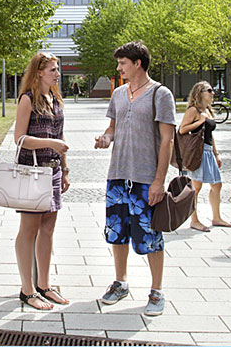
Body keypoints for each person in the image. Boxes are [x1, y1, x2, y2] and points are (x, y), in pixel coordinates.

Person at [94, 41, 175, 317]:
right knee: (116, 234)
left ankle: (156, 290)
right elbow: (112, 128)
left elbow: (168, 140)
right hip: (118, 176)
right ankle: (121, 283)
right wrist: (105, 138)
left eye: (123, 63)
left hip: (145, 178)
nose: (119, 68)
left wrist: (159, 181)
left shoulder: (160, 94)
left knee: (151, 236)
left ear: (138, 63)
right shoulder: (118, 94)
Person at [13, 52, 70, 310]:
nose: (57, 74)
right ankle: (27, 289)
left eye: (57, 70)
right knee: (29, 229)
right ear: (38, 72)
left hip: (54, 171)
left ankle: (44, 285)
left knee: (48, 228)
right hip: (33, 171)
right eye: (52, 70)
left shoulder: (56, 99)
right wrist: (50, 143)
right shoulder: (27, 99)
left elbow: (61, 135)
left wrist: (65, 170)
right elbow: (19, 138)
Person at [179, 81, 231, 232]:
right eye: (209, 90)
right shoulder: (194, 111)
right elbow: (182, 130)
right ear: (200, 93)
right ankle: (194, 220)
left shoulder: (208, 110)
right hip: (198, 152)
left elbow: (210, 135)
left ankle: (216, 217)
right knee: (196, 187)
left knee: (217, 185)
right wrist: (199, 120)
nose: (213, 93)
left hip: (208, 151)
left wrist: (216, 154)